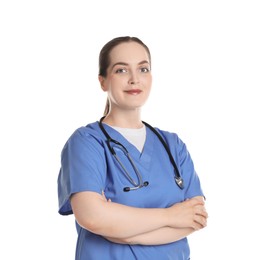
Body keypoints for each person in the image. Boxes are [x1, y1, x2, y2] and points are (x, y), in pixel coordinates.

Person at [57, 36, 208, 260]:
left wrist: (124, 232)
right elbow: (93, 217)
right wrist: (171, 215)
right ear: (103, 81)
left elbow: (196, 218)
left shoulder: (173, 145)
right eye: (121, 70)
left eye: (143, 69)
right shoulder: (86, 142)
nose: (135, 79)